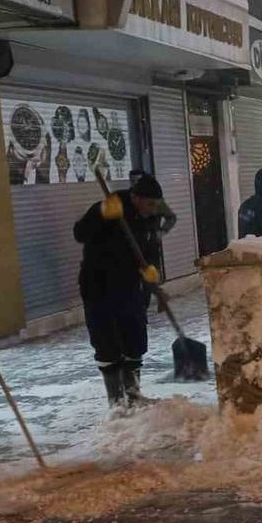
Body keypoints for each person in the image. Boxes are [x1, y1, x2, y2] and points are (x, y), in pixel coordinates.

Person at [75, 173, 165, 407]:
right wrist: (100, 214)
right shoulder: (108, 207)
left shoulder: (149, 216)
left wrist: (153, 271)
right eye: (151, 204)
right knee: (106, 342)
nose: (154, 209)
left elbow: (152, 246)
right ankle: (115, 400)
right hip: (99, 286)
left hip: (130, 286)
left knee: (134, 338)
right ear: (136, 197)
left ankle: (133, 395)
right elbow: (79, 233)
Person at [130, 169, 177, 238]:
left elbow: (171, 217)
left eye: (138, 181)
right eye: (132, 181)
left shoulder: (154, 197)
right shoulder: (128, 197)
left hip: (151, 240)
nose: (135, 183)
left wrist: (162, 231)